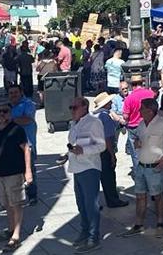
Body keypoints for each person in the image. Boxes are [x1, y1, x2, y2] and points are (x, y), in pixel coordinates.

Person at [122, 97, 163, 238]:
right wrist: (137, 142)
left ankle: (160, 223)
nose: (139, 111)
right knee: (140, 196)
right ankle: (138, 224)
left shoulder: (162, 123)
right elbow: (140, 138)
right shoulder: (142, 124)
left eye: (142, 108)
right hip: (141, 166)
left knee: (158, 196)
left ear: (150, 110)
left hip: (155, 167)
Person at [0, 102, 33, 250]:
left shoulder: (17, 130)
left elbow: (26, 149)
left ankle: (16, 235)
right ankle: (10, 229)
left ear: (10, 113)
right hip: (1, 174)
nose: (1, 114)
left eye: (5, 111)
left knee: (16, 204)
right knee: (7, 204)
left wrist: (28, 171)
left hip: (14, 172)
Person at [66, 96, 107, 252]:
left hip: (89, 168)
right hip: (77, 167)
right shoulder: (75, 124)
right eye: (71, 107)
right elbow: (76, 143)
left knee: (91, 204)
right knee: (81, 204)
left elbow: (101, 145)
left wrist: (84, 150)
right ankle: (84, 232)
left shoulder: (93, 122)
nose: (72, 110)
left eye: (74, 107)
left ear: (84, 107)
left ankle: (93, 237)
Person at [91, 92, 128, 208]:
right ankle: (113, 200)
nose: (111, 103)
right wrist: (112, 155)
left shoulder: (94, 116)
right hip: (104, 150)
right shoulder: (105, 117)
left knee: (95, 178)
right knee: (108, 177)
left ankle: (94, 202)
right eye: (109, 102)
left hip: (95, 150)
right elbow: (107, 139)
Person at [8, 84, 38, 205]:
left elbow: (28, 119)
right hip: (12, 144)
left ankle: (32, 195)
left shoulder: (28, 104)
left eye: (15, 92)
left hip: (27, 144)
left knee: (29, 170)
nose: (13, 95)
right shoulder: (8, 106)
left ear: (21, 92)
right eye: (10, 93)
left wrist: (10, 120)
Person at [121, 74, 155, 169]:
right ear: (142, 83)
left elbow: (126, 116)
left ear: (132, 85)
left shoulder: (129, 98)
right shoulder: (150, 94)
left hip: (134, 127)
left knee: (136, 154)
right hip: (149, 125)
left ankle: (139, 174)